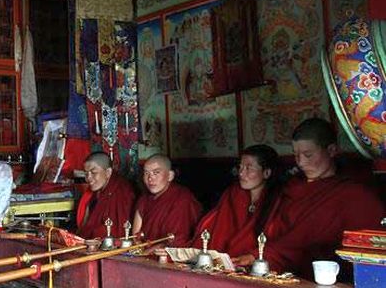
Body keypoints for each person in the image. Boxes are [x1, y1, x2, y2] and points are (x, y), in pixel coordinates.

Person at [233, 118, 386, 278]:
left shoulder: (352, 194)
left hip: (325, 278)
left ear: (332, 150)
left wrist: (262, 256)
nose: (300, 161)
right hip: (274, 270)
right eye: (296, 154)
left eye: (308, 154)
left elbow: (302, 241)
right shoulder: (291, 187)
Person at [191, 145, 279, 256]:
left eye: (249, 168)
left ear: (266, 173)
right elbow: (215, 228)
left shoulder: (277, 200)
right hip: (225, 259)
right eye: (240, 167)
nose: (241, 173)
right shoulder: (233, 194)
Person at [132, 154, 202, 247]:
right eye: (146, 173)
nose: (150, 178)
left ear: (170, 176)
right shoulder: (144, 199)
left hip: (170, 257)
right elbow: (135, 236)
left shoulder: (182, 199)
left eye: (156, 173)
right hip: (144, 254)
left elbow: (179, 242)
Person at [76, 152, 136, 239]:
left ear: (108, 172)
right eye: (86, 173)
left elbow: (118, 232)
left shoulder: (121, 191)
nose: (88, 178)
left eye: (93, 172)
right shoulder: (98, 190)